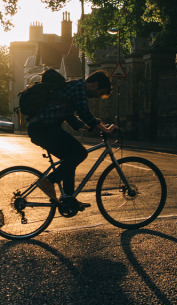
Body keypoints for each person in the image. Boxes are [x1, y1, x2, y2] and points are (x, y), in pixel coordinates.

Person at [27, 70, 117, 216]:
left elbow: (71, 117)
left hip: (41, 128)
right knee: (79, 153)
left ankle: (68, 198)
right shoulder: (79, 88)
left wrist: (89, 127)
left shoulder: (72, 88)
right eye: (100, 93)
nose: (98, 97)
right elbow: (84, 112)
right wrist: (105, 129)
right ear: (95, 84)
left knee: (71, 157)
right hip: (43, 128)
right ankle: (48, 182)